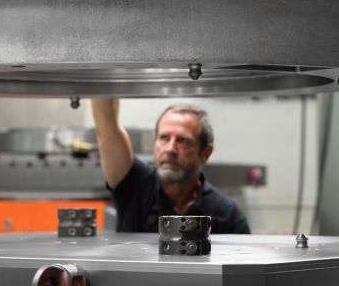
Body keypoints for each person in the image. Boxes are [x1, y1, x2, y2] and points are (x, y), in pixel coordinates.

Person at [91, 99, 250, 234]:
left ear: (206, 153)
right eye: (164, 138)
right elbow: (106, 125)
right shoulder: (135, 185)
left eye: (183, 141)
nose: (170, 149)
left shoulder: (227, 215)